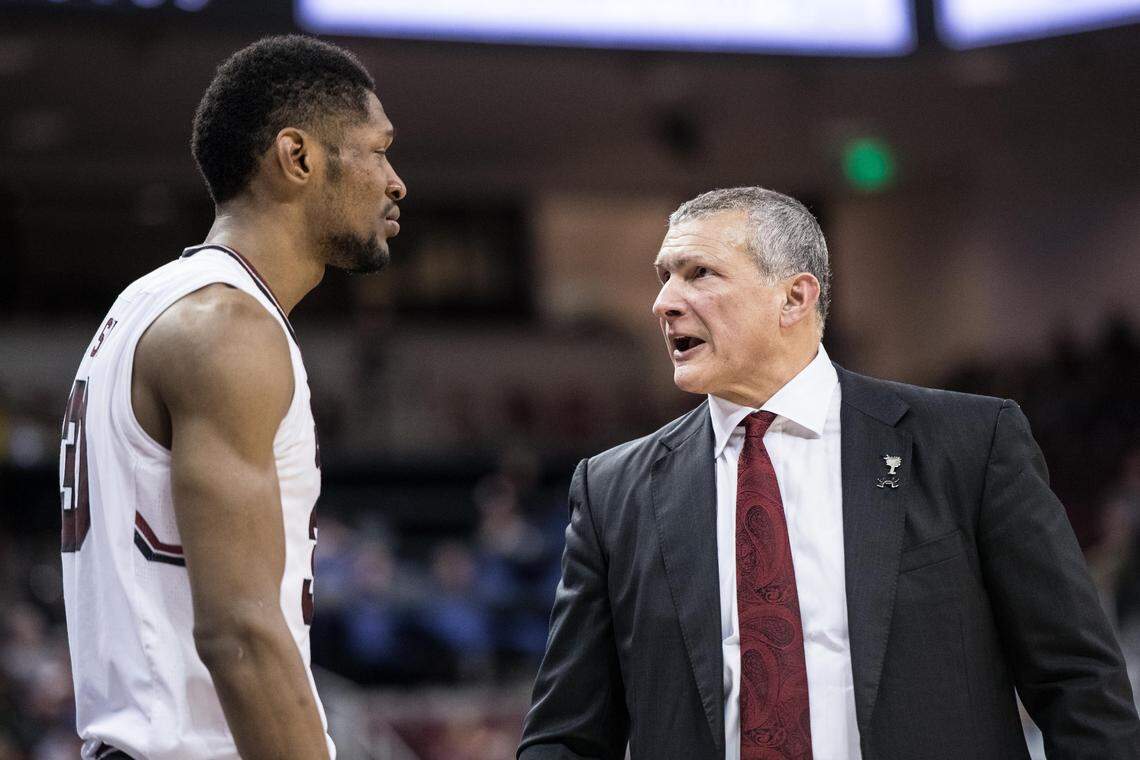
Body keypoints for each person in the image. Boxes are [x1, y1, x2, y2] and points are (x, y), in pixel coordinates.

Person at [518, 187, 1140, 760]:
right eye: (664, 278)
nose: (663, 303)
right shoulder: (612, 490)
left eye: (698, 273)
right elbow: (567, 735)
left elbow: (1079, 682)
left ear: (794, 297)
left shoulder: (968, 444)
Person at [59, 35, 405, 759]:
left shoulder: (153, 302)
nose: (395, 181)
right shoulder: (228, 328)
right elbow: (240, 634)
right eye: (378, 151)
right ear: (298, 156)